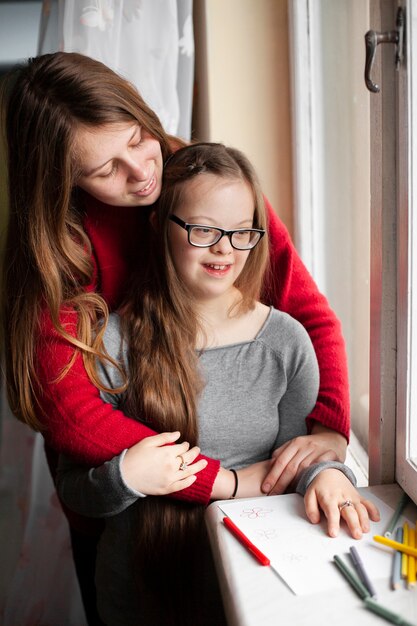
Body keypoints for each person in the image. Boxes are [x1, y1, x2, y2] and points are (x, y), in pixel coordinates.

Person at [1, 52, 349, 623]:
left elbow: (307, 310)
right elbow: (71, 411)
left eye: (139, 138)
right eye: (106, 169)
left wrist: (331, 431)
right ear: (63, 183)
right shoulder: (60, 252)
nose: (142, 172)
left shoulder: (201, 183)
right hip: (121, 492)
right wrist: (221, 480)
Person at [56, 142, 380, 626]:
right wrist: (127, 476)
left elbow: (293, 463)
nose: (225, 248)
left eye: (241, 232)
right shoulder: (113, 344)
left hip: (254, 590)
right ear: (159, 228)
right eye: (204, 230)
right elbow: (76, 489)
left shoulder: (286, 342)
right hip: (141, 596)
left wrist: (330, 474)